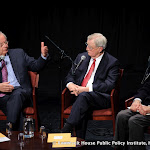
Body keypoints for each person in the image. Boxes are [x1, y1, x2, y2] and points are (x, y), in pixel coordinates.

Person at [61, 33, 120, 138]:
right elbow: (70, 75)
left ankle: (67, 128)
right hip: (79, 96)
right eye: (86, 45)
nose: (86, 48)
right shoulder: (81, 57)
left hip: (101, 97)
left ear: (100, 49)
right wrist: (70, 85)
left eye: (90, 47)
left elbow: (109, 84)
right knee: (82, 102)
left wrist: (86, 89)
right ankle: (80, 142)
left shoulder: (112, 62)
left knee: (84, 96)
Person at [0, 31, 49, 130]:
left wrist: (43, 56)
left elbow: (35, 66)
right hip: (2, 96)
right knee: (16, 109)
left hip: (20, 92)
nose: (6, 45)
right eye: (1, 44)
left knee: (17, 94)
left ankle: (10, 128)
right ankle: (17, 136)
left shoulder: (19, 53)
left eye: (6, 42)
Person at [114, 69, 150, 150]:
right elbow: (145, 88)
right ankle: (120, 148)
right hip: (145, 106)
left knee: (134, 120)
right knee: (122, 115)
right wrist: (137, 100)